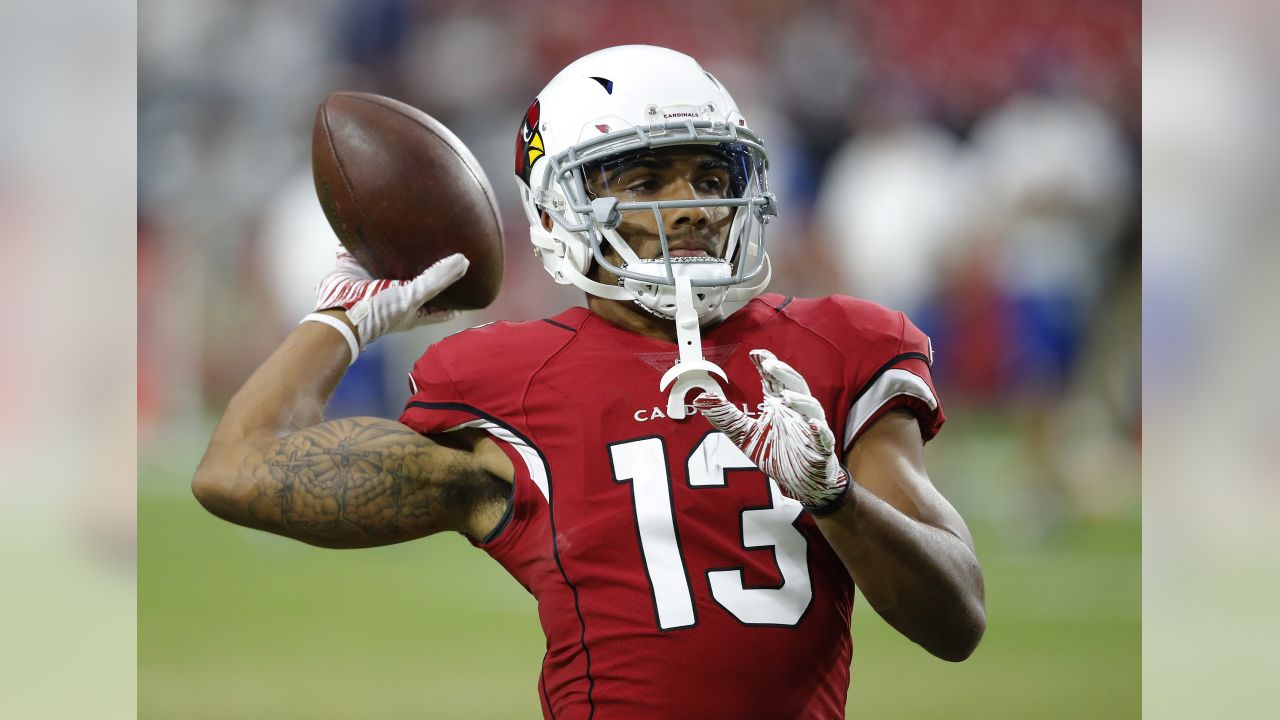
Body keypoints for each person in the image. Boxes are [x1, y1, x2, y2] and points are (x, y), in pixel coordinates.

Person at [193, 45, 985, 719]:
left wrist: (833, 497)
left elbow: (958, 621)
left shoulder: (841, 344)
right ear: (557, 211)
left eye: (712, 176)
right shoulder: (507, 383)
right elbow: (237, 468)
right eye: (646, 183)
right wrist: (342, 320)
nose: (696, 207)